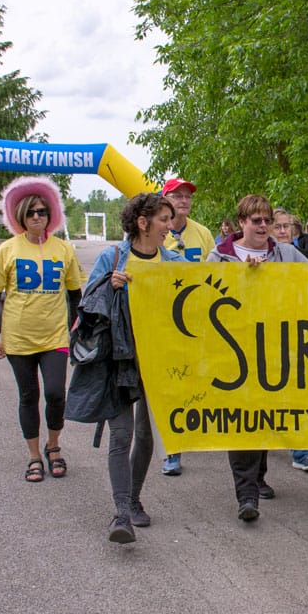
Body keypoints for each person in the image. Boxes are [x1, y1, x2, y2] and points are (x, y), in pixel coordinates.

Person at [207, 194, 308, 521]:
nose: (264, 226)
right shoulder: (220, 257)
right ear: (242, 223)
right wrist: (242, 276)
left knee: (265, 414)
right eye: (256, 220)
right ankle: (246, 495)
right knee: (241, 419)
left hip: (274, 349)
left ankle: (258, 475)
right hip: (234, 353)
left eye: (267, 220)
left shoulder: (285, 254)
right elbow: (204, 297)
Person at [87, 192, 184, 543]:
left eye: (170, 220)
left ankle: (134, 498)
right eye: (163, 220)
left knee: (144, 436)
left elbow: (203, 290)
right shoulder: (112, 258)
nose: (169, 228)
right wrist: (109, 286)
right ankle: (122, 513)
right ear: (142, 222)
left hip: (157, 362)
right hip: (119, 361)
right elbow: (87, 304)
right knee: (122, 434)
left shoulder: (173, 261)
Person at [0, 176, 84, 483]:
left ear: (50, 215)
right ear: (21, 217)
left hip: (54, 337)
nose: (38, 216)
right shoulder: (9, 250)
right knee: (28, 395)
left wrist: (75, 330)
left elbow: (76, 294)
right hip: (18, 338)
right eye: (31, 212)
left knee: (55, 393)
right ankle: (34, 455)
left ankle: (54, 446)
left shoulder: (63, 249)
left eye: (42, 211)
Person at [160, 177, 216, 476]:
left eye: (187, 196)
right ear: (165, 199)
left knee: (199, 380)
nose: (183, 200)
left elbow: (217, 270)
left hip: (197, 318)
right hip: (164, 318)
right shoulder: (157, 231)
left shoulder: (203, 234)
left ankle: (198, 432)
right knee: (171, 383)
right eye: (177, 195)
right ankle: (172, 449)